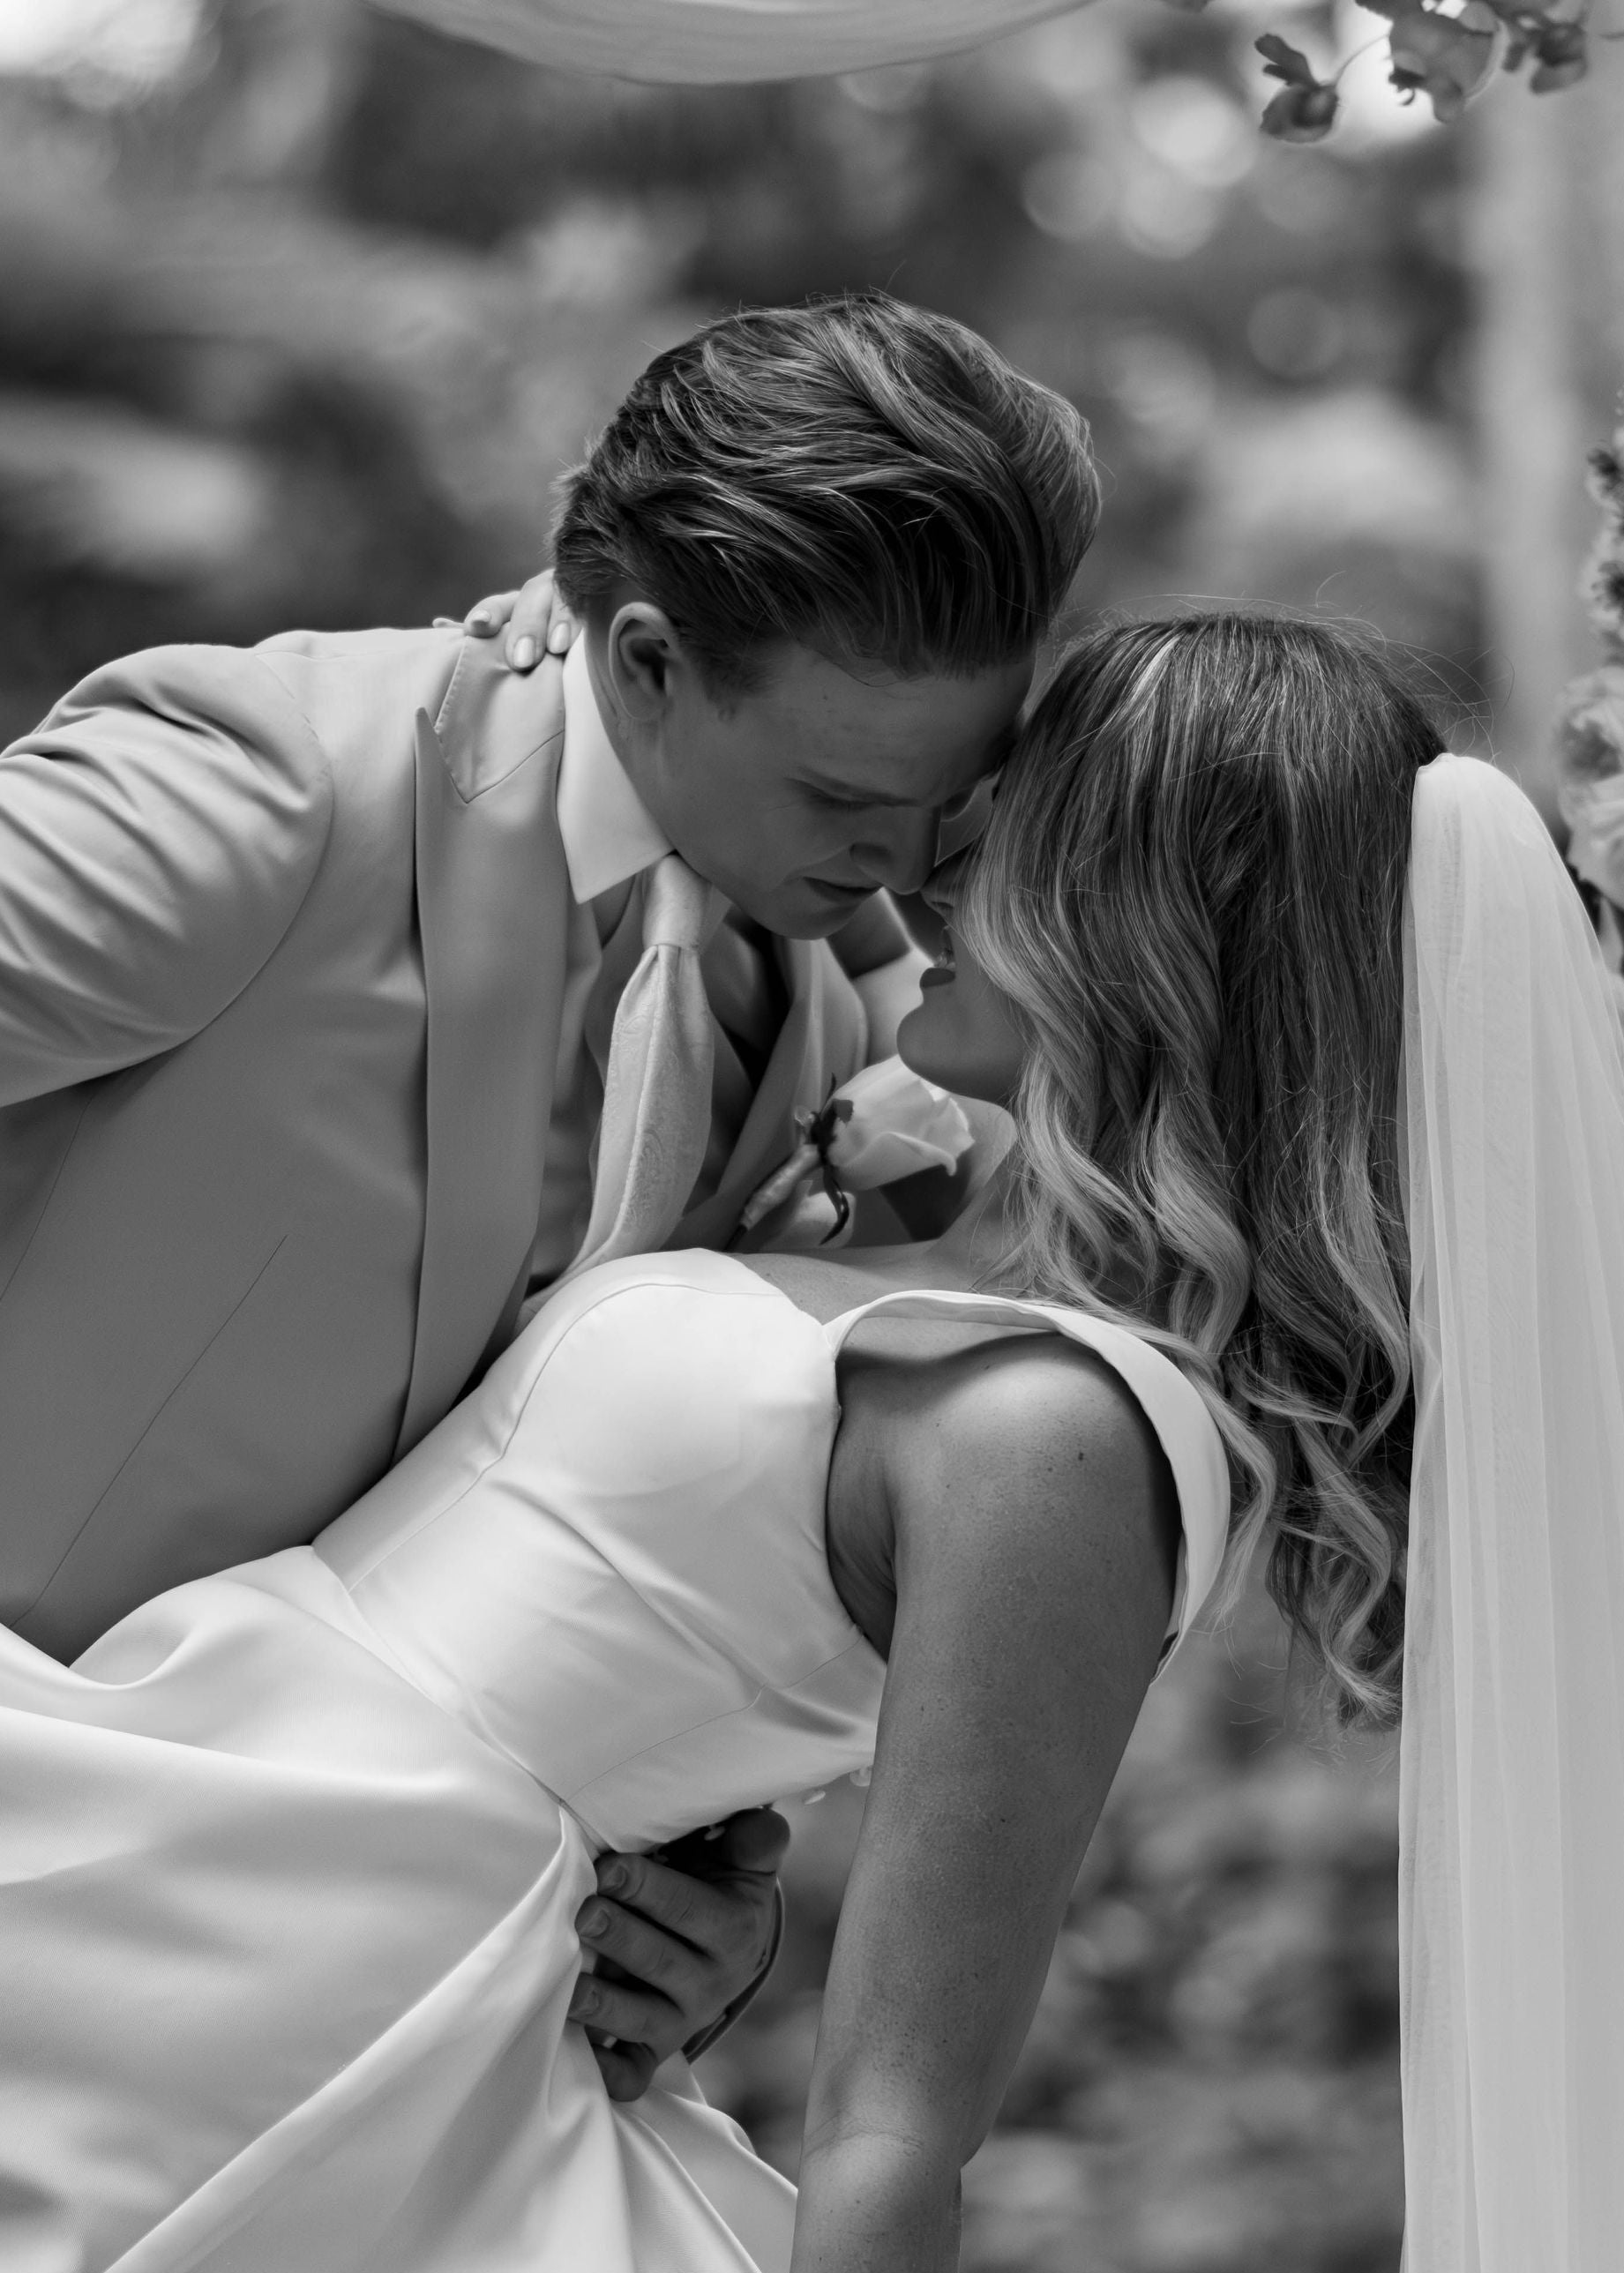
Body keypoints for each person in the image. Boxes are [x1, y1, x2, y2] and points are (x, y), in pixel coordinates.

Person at [7, 609, 1608, 2270]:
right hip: (180, 1800)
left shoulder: (1067, 1449)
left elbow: (893, 2139)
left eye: (1001, 851)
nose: (921, 886)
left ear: (1147, 943)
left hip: (297, 2000)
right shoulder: (909, 1213)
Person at [0, 291, 1096, 2087]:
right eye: (843, 794)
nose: (909, 871)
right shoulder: (269, 792)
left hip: (324, 1983)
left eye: (949, 799)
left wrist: (691, 1878)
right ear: (650, 656)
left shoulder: (802, 998)